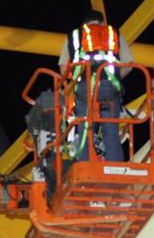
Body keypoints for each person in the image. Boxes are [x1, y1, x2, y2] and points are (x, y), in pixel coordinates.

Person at [57, 10, 135, 162]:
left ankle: (84, 165)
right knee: (111, 132)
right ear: (102, 23)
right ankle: (115, 168)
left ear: (84, 25)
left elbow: (63, 69)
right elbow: (129, 65)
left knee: (84, 131)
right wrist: (115, 79)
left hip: (85, 89)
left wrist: (73, 84)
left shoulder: (75, 36)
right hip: (109, 88)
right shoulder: (113, 34)